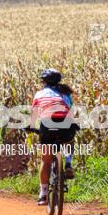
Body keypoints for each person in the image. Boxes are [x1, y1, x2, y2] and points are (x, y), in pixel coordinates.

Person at [31, 68, 77, 206]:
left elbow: (34, 113)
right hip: (65, 124)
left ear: (44, 82)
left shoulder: (39, 94)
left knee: (45, 160)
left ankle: (43, 194)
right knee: (69, 142)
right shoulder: (66, 93)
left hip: (47, 126)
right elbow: (70, 110)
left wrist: (30, 126)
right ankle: (68, 163)